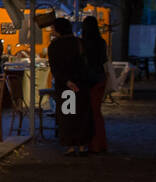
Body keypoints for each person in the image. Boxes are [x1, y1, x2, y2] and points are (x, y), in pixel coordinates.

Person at [46, 17, 92, 155]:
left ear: (58, 29)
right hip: (81, 85)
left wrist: (67, 81)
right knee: (82, 115)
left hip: (66, 86)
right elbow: (85, 64)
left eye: (53, 28)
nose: (51, 30)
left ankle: (71, 145)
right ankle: (83, 145)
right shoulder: (79, 42)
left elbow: (55, 68)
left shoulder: (54, 46)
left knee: (68, 116)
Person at [81, 15, 109, 153]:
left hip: (89, 80)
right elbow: (104, 60)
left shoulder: (83, 43)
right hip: (100, 78)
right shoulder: (101, 42)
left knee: (90, 112)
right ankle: (100, 143)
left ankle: (93, 143)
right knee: (97, 112)